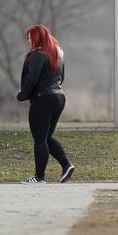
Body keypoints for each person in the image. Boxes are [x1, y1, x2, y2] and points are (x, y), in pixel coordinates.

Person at [17, 24, 75, 184]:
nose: (29, 41)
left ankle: (39, 176)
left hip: (42, 98)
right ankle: (66, 164)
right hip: (59, 97)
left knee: (39, 139)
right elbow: (61, 77)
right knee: (46, 136)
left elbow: (32, 79)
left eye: (30, 37)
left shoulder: (37, 54)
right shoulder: (58, 53)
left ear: (36, 38)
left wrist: (23, 95)